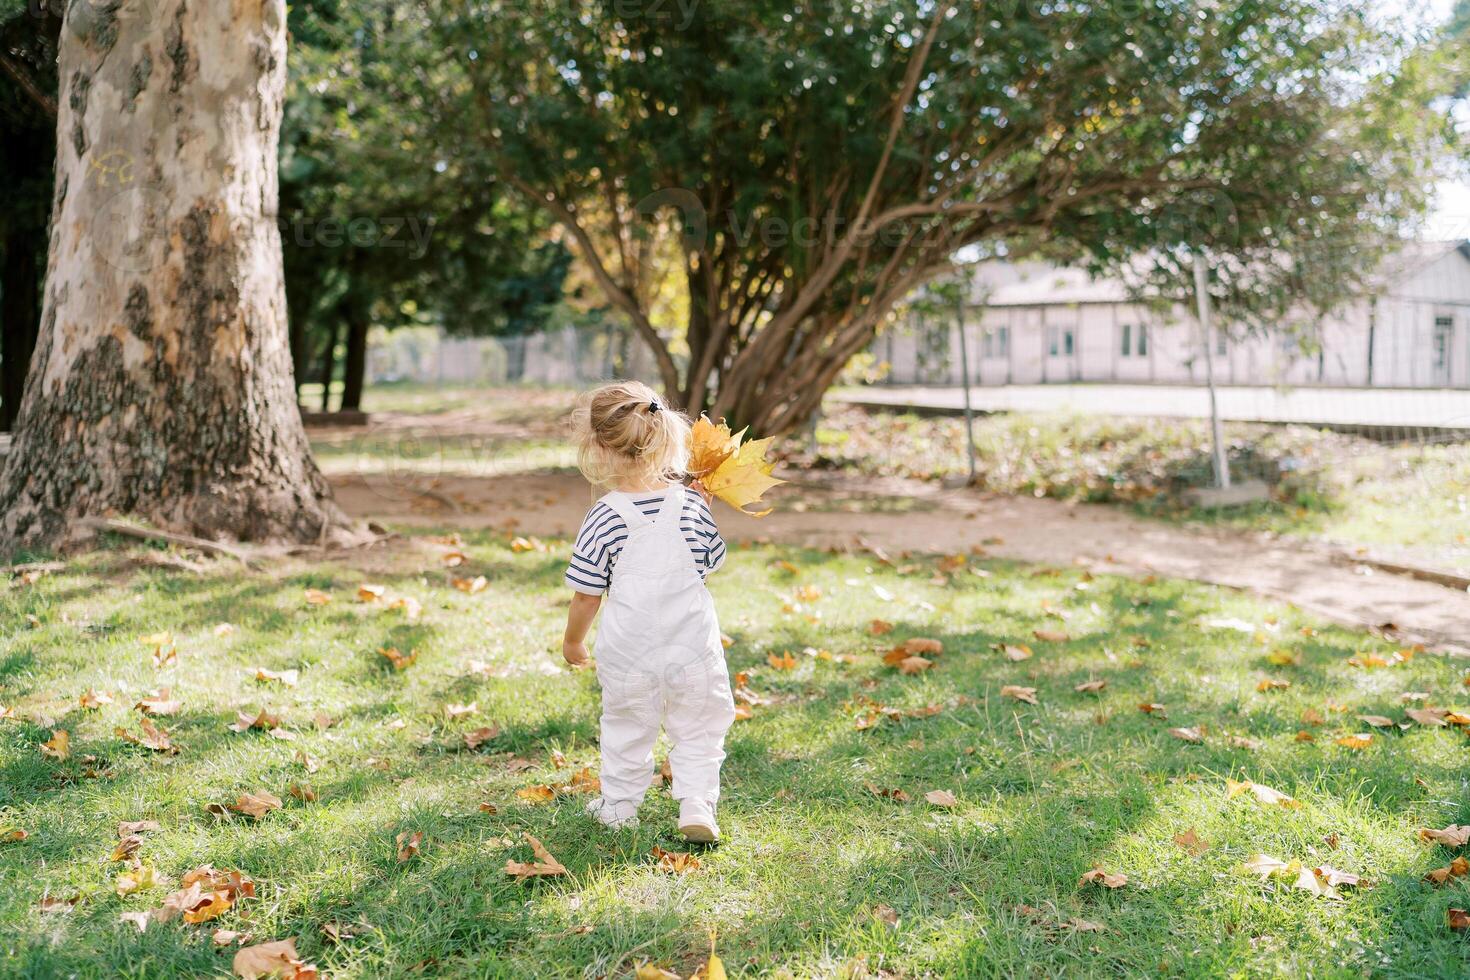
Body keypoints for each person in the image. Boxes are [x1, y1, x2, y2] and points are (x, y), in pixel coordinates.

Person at [562, 380, 736, 841]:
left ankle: (619, 806)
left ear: (598, 445)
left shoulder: (604, 516)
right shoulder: (691, 506)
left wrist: (573, 640)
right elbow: (709, 562)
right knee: (700, 726)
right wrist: (706, 509)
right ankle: (697, 803)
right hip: (692, 648)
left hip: (629, 654)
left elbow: (586, 593)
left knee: (626, 726)